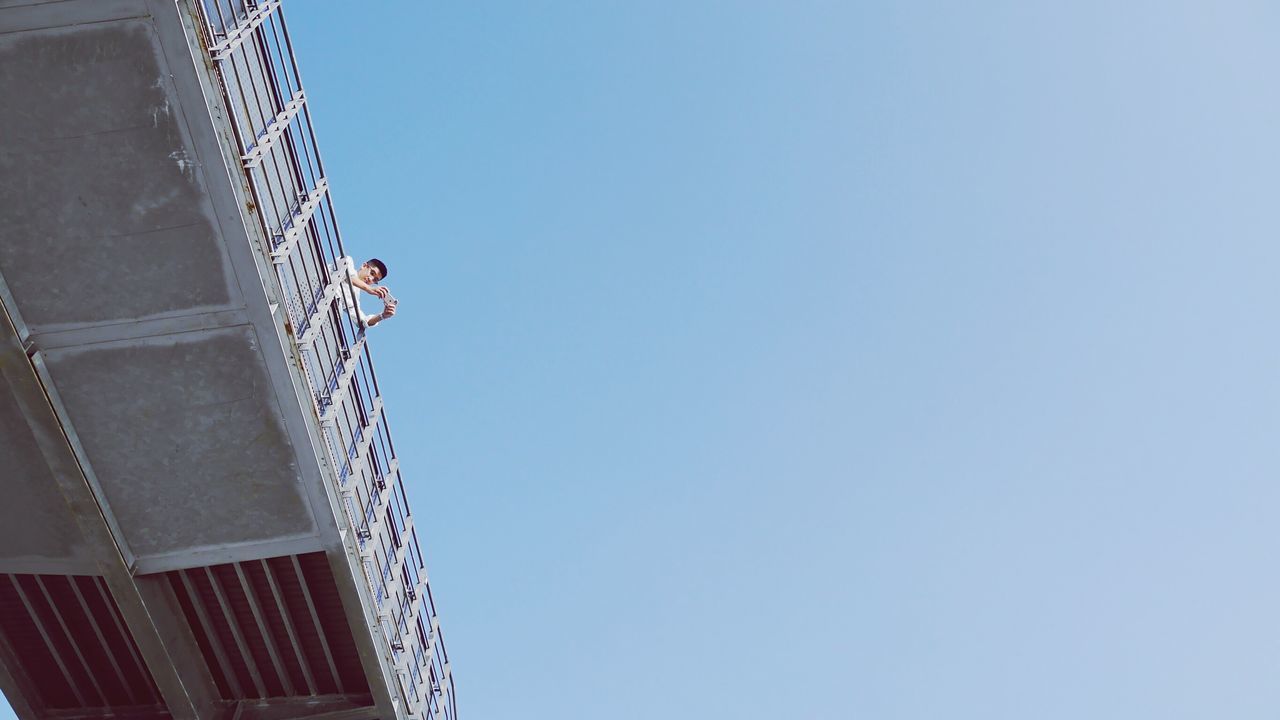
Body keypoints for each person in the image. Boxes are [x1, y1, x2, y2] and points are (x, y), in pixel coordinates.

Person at [339, 256, 397, 328]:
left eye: (375, 280)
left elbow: (363, 321)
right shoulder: (347, 260)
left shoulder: (354, 298)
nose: (370, 279)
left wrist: (383, 315)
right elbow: (346, 275)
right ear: (364, 266)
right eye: (372, 273)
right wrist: (369, 288)